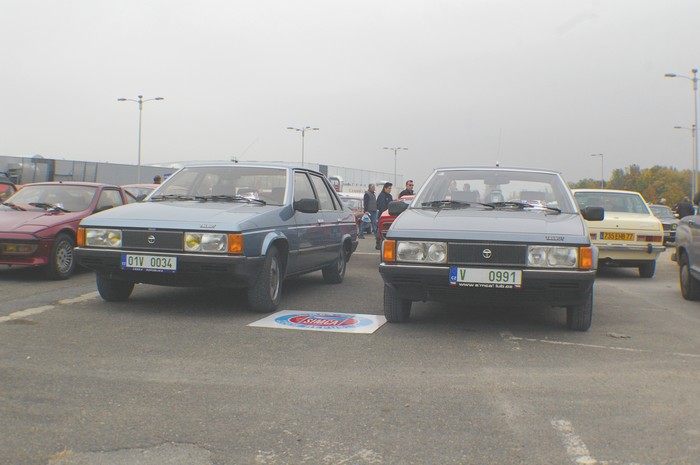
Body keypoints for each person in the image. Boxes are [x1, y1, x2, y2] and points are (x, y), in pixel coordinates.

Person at [376, 182, 393, 250]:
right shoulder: (382, 195)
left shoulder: (390, 196)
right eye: (389, 188)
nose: (390, 190)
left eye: (390, 188)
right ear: (385, 188)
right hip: (383, 216)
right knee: (380, 230)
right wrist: (385, 211)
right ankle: (378, 243)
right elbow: (380, 206)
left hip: (390, 215)